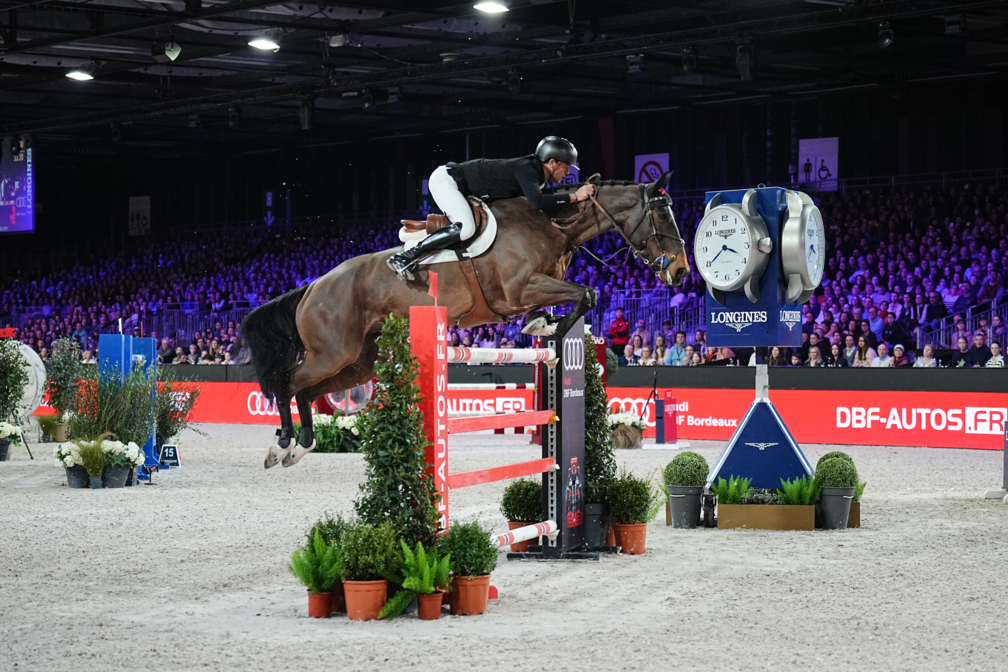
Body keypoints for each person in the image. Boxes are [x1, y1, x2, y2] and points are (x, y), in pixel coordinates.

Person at [387, 136, 593, 280]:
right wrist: (576, 196)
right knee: (466, 227)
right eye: (567, 166)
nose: (568, 171)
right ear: (552, 162)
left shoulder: (538, 176)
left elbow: (542, 198)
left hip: (463, 188)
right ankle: (406, 257)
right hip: (448, 180)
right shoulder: (527, 168)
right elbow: (538, 202)